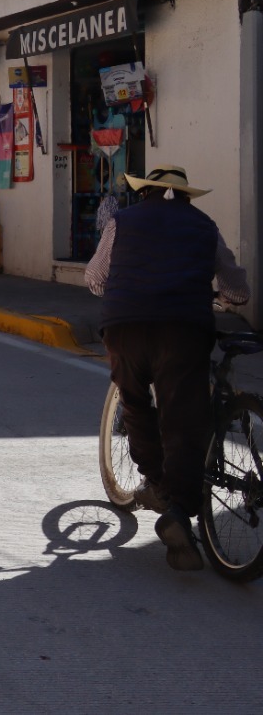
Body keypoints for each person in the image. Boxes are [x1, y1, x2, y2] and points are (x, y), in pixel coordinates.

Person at [86, 165, 250, 571]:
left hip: (125, 326)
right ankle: (179, 509)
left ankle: (157, 484)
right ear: (187, 197)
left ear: (145, 194)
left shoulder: (121, 222)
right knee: (182, 419)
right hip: (182, 329)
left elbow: (94, 277)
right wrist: (222, 297)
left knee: (137, 406)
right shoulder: (204, 226)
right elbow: (237, 291)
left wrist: (123, 284)